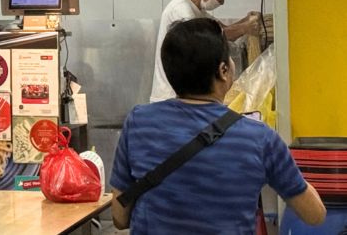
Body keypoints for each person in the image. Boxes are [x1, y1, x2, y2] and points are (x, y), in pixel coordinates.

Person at [112, 18, 326, 234]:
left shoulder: (139, 122)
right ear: (223, 70)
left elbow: (120, 218)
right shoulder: (259, 138)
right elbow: (315, 215)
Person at [150, 0, 260, 102]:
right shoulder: (180, 10)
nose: (222, 2)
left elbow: (222, 30)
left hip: (183, 97)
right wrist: (246, 28)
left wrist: (246, 20)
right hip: (171, 97)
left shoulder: (197, 11)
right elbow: (212, 38)